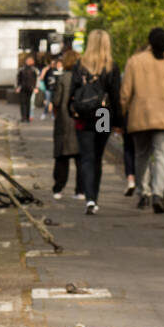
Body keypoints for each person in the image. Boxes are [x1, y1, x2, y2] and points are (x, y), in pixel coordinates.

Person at [121, 26, 164, 213]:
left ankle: (144, 192)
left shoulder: (135, 61)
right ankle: (158, 193)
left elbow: (125, 93)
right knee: (162, 155)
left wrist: (124, 113)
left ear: (149, 42)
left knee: (141, 154)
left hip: (140, 116)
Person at [67, 28, 122, 215]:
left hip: (83, 115)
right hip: (103, 114)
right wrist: (118, 121)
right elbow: (115, 96)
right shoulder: (111, 67)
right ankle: (94, 197)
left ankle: (89, 198)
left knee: (86, 157)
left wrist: (71, 110)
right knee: (97, 157)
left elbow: (72, 91)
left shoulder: (80, 65)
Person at [51, 49, 84, 198]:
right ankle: (81, 190)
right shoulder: (84, 78)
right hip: (80, 120)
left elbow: (56, 100)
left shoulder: (62, 78)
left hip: (64, 121)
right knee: (81, 158)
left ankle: (59, 188)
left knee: (62, 157)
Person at [15, 54, 38, 123]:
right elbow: (18, 79)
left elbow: (37, 79)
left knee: (28, 103)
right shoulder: (22, 69)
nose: (29, 62)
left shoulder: (34, 70)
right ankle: (23, 117)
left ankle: (27, 117)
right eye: (28, 60)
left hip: (30, 88)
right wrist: (17, 87)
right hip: (22, 88)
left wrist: (36, 87)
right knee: (23, 103)